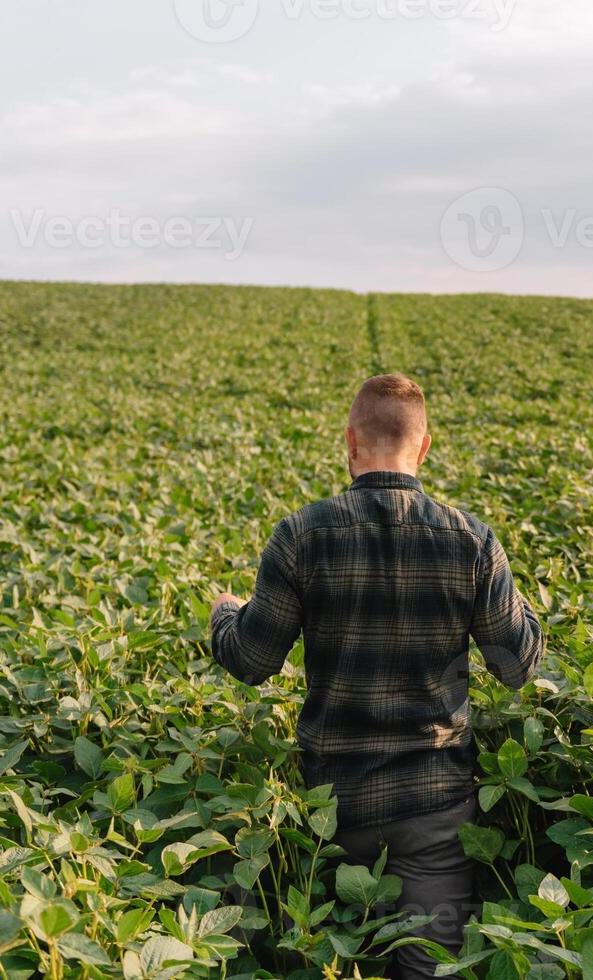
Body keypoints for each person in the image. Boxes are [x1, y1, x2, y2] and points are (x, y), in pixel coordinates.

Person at [209, 373, 544, 979]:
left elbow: (252, 662)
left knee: (329, 964)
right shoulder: (471, 541)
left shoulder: (301, 535)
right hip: (435, 811)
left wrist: (223, 614)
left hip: (329, 812)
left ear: (350, 442)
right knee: (425, 969)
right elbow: (516, 667)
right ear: (424, 447)